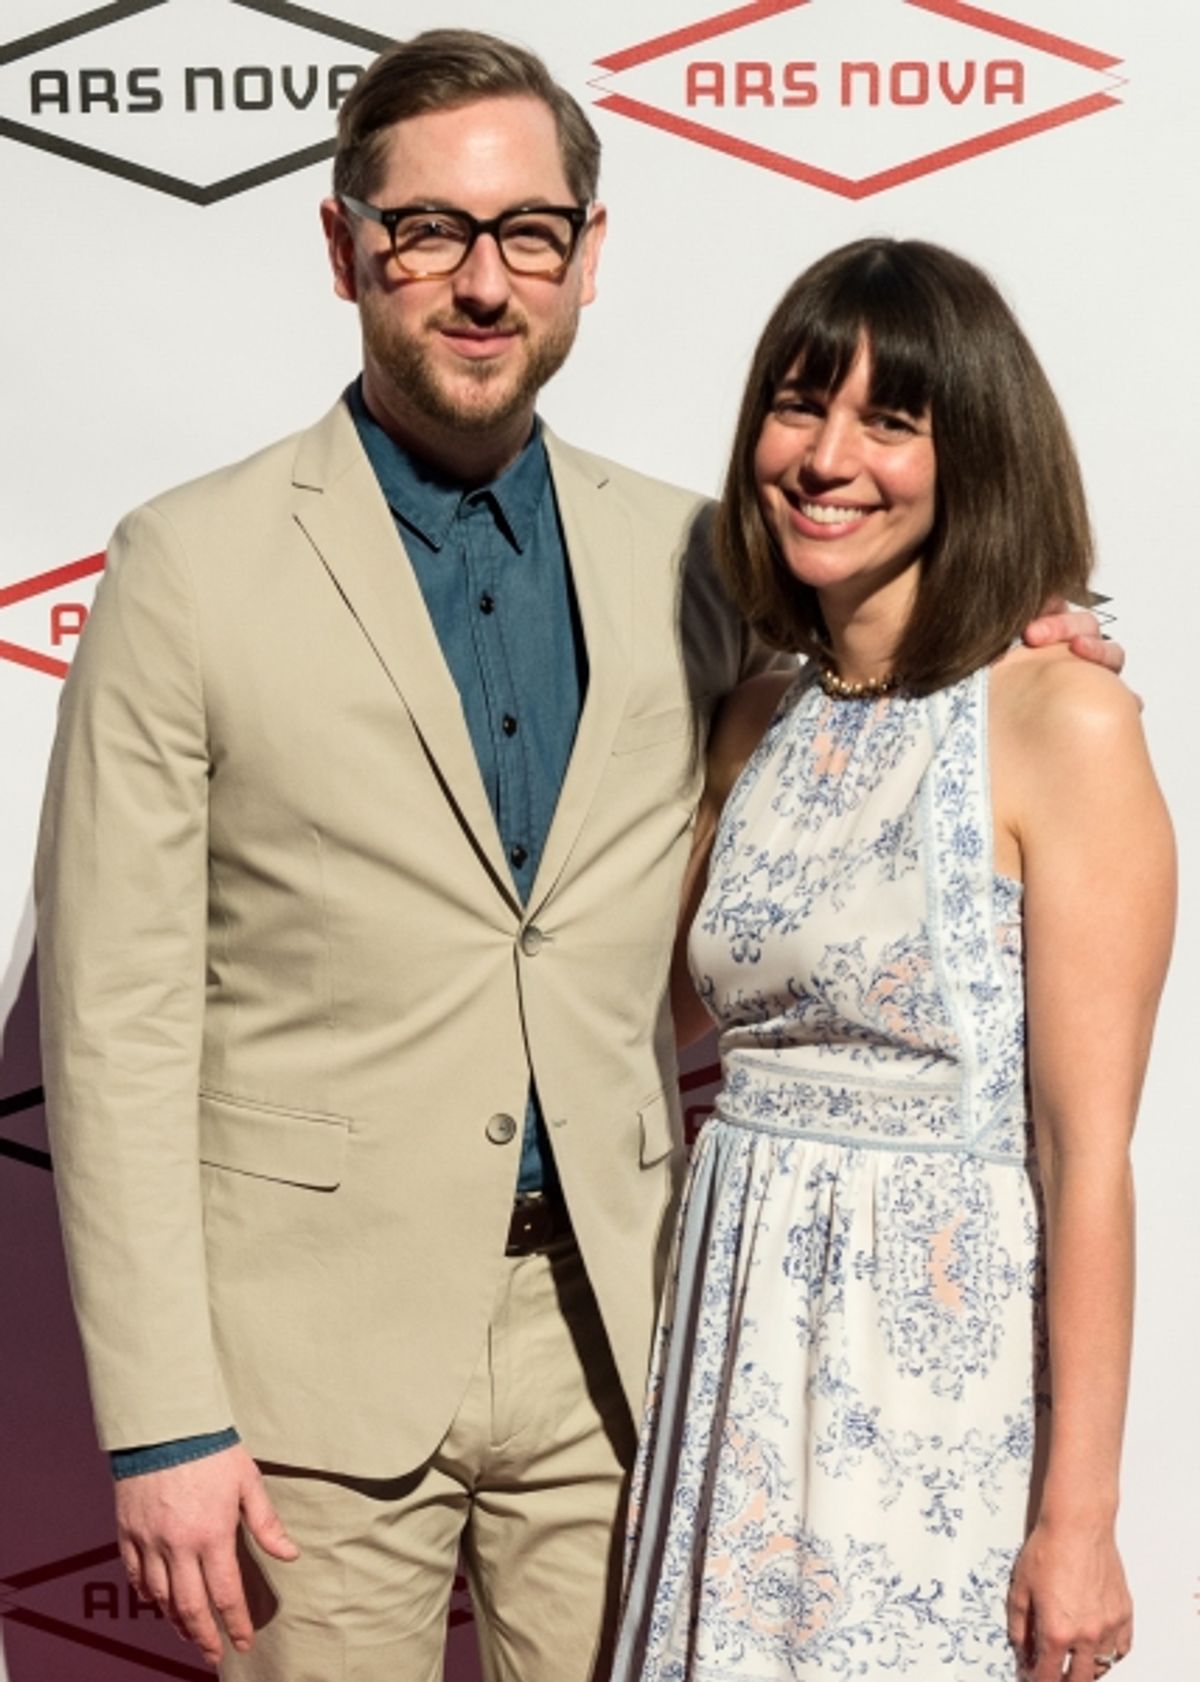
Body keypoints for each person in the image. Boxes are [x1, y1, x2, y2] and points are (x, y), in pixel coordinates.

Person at [35, 31, 1118, 1682]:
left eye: (527, 232)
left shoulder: (696, 553)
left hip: (643, 1351)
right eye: (429, 232)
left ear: (587, 257)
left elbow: (863, 728)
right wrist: (160, 1420)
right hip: (309, 1370)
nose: (484, 282)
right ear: (344, 246)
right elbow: (110, 1026)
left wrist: (1024, 644)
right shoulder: (187, 565)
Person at [611, 238, 1174, 1682]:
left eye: (890, 420)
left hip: (930, 1381)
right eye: (799, 406)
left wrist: (1081, 1516)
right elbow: (632, 1007)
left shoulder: (1064, 719)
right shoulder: (751, 721)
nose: (826, 456)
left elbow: (1085, 1149)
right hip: (729, 1348)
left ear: (973, 453)